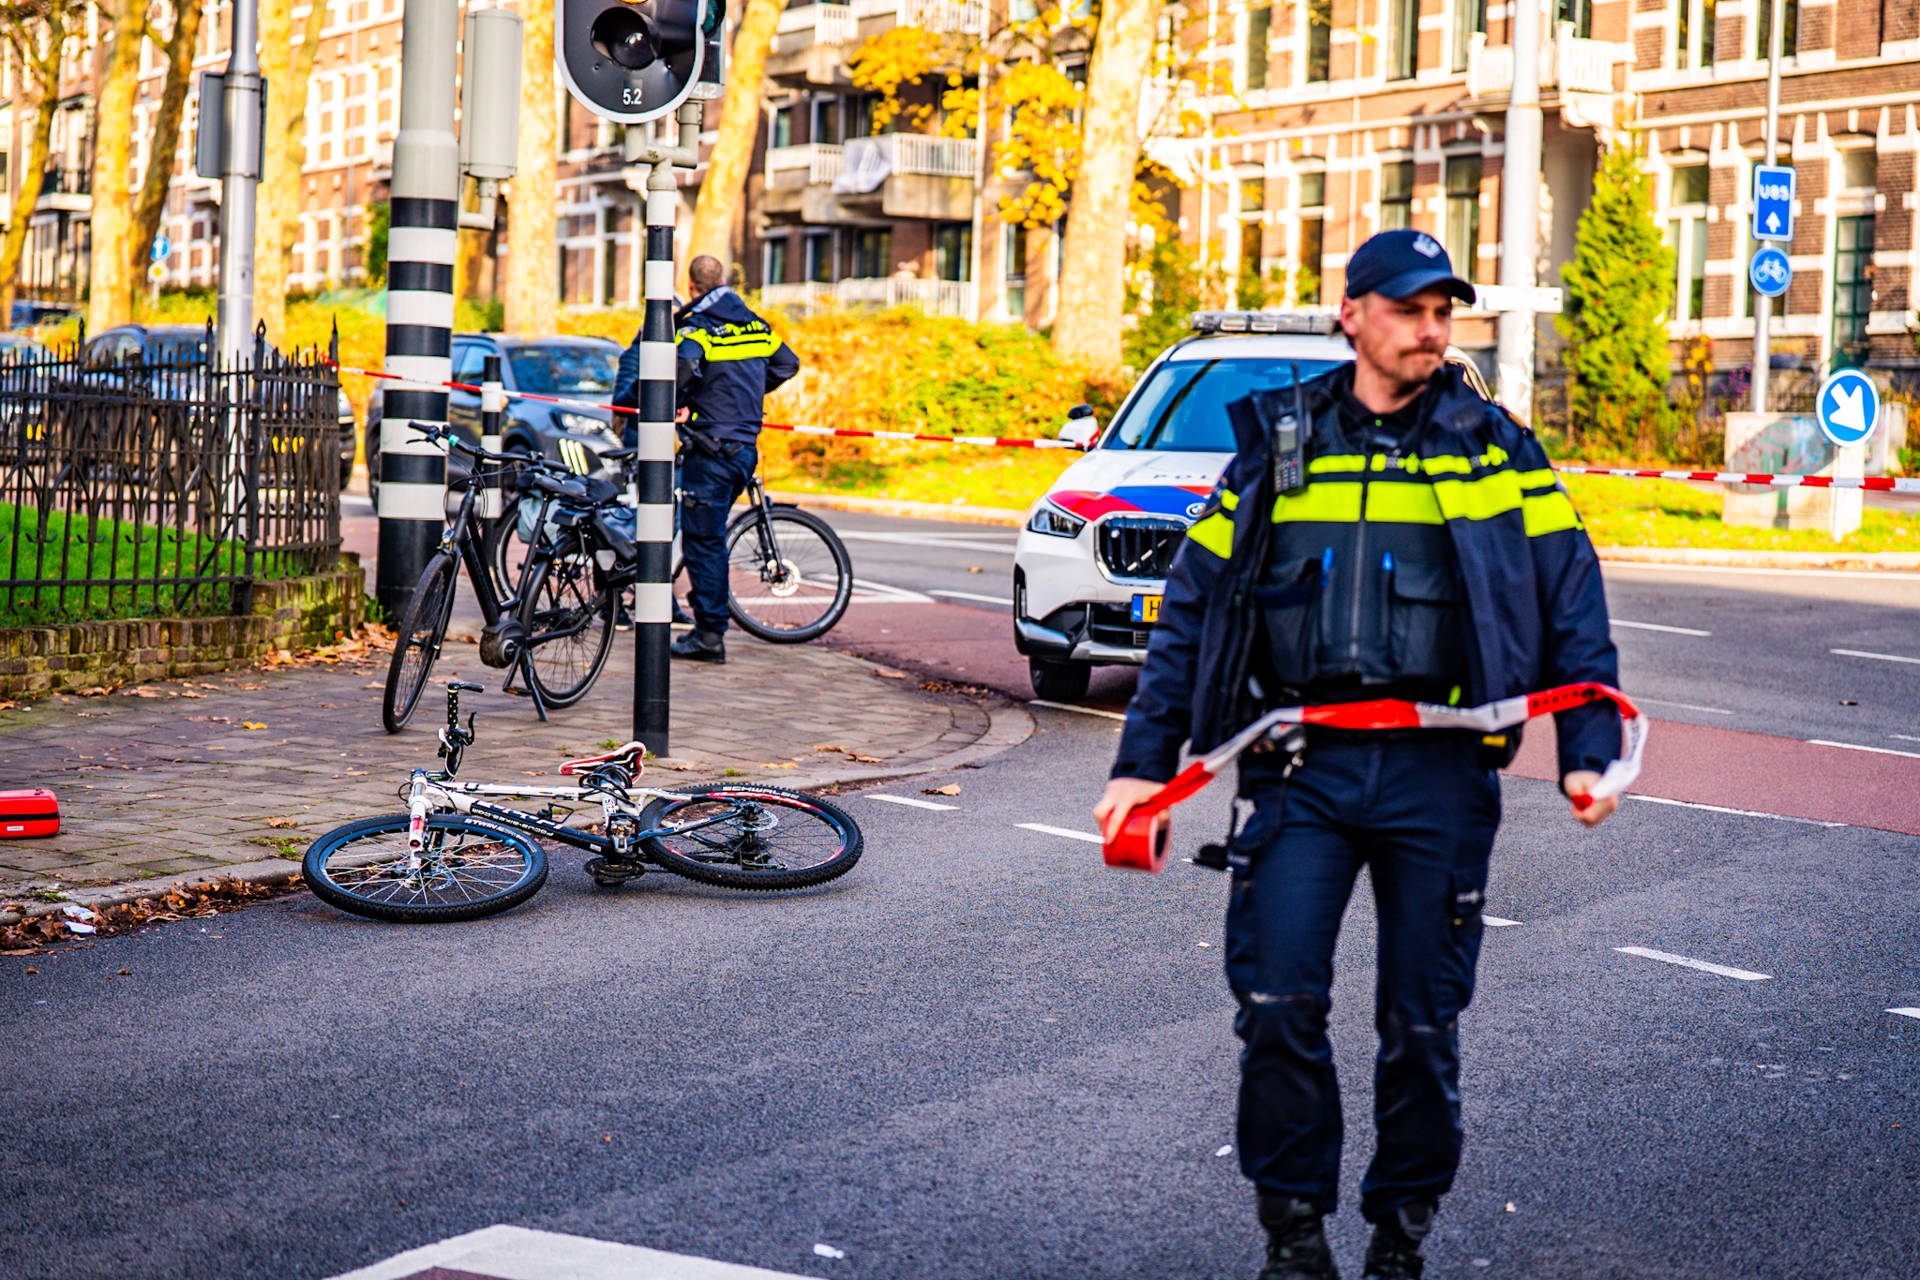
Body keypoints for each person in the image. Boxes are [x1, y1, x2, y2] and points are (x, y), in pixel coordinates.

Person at [1094, 229, 1621, 1280]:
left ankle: (1400, 1234)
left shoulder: (1496, 448)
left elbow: (1571, 592)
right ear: (1356, 317)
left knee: (1421, 1022)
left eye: (1444, 311)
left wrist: (1588, 747)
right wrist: (1142, 763)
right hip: (1300, 772)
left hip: (1442, 775)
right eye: (1411, 309)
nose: (1433, 329)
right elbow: (1193, 612)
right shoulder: (1282, 445)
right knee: (1279, 1003)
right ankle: (1294, 1236)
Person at [614, 254, 798, 661]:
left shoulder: (698, 327)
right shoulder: (756, 325)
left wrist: (684, 401)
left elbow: (684, 366)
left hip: (711, 448)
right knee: (709, 533)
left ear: (692, 287)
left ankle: (710, 634)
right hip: (745, 448)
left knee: (704, 541)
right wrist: (744, 394)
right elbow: (788, 364)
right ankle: (706, 601)